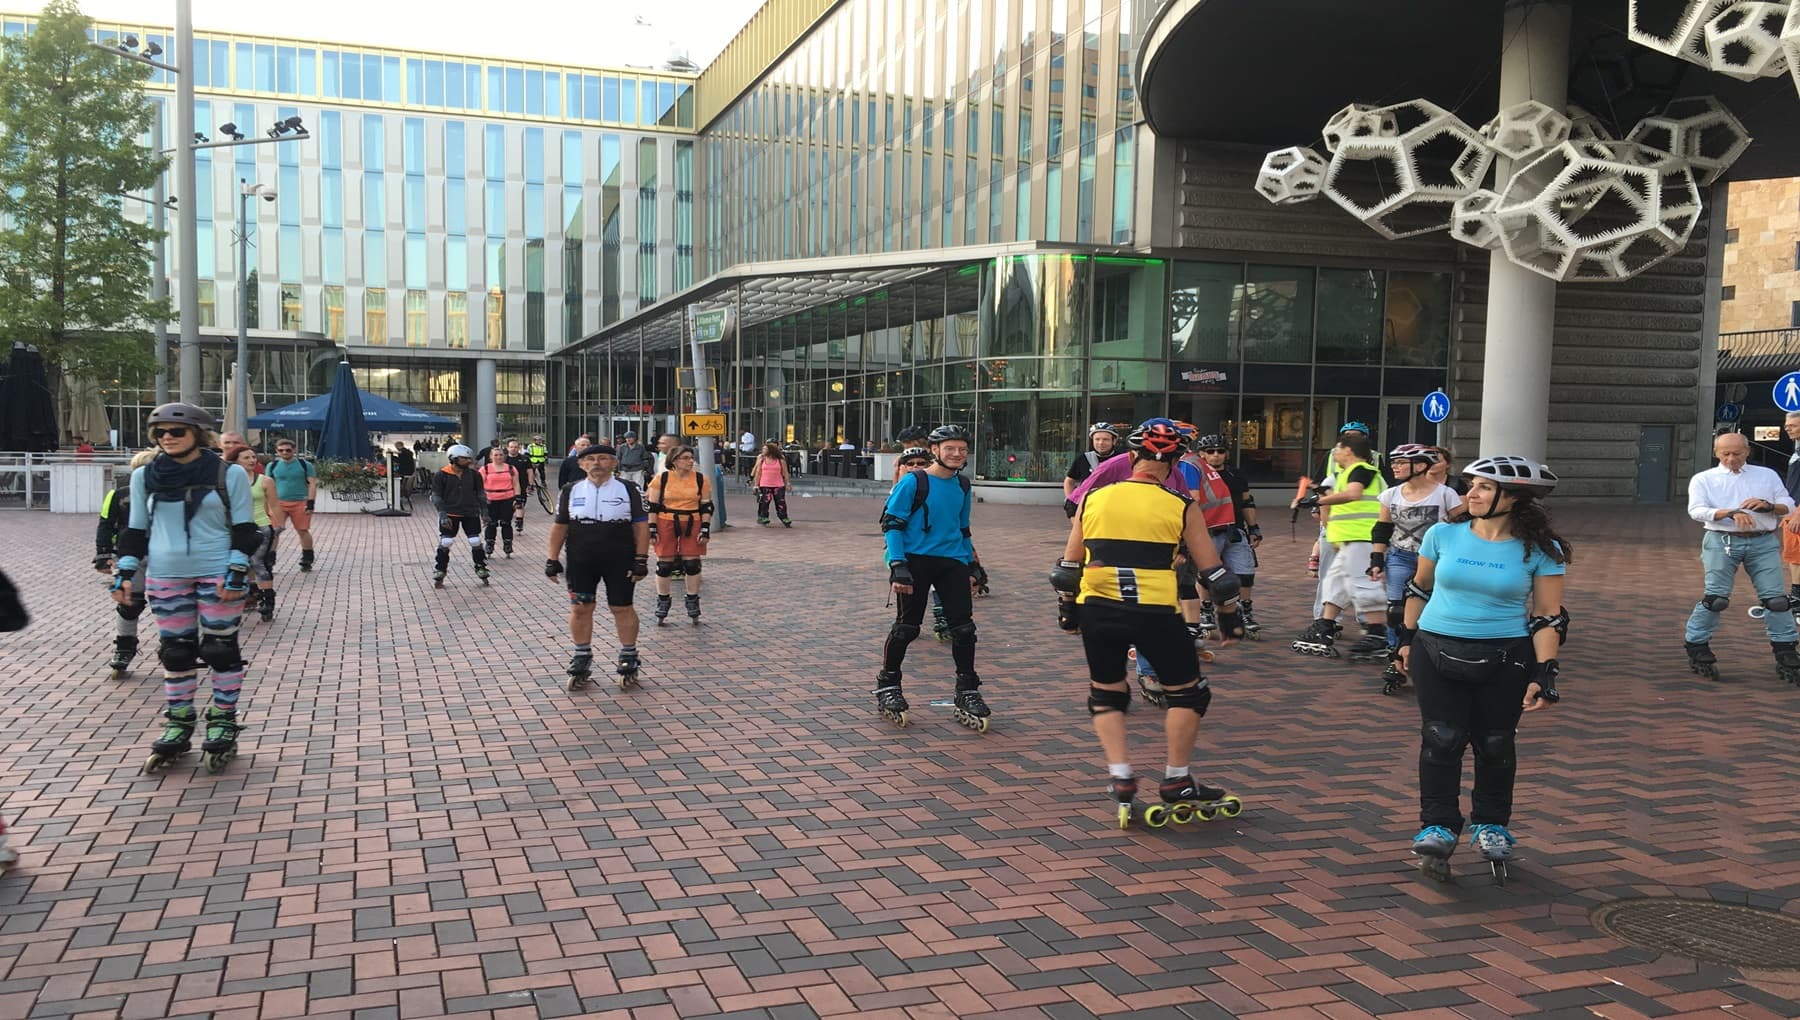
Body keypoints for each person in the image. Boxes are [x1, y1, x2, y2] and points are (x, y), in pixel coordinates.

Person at [1050, 420, 1245, 828]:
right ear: (1174, 461)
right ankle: (1177, 780)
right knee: (1188, 694)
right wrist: (1229, 617)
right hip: (1155, 611)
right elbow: (1215, 574)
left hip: (1099, 608)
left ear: (1132, 456)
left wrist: (1068, 610)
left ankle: (1121, 777)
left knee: (1106, 693)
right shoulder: (1180, 504)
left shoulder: (1096, 497)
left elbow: (1068, 569)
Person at [1395, 455, 1568, 882]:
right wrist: (1404, 640)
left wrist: (1544, 672)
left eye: (1483, 488)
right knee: (1442, 738)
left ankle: (1492, 824)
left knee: (1495, 742)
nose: (1470, 493)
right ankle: (1438, 824)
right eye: (1470, 485)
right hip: (1435, 646)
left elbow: (1548, 615)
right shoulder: (1443, 534)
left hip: (1506, 653)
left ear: (1514, 498)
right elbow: (1419, 588)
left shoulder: (1542, 550)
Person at [111, 403, 259, 774]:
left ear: (198, 433)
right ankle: (179, 722)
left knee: (220, 649)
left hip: (217, 571)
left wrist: (237, 573)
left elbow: (246, 530)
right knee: (176, 653)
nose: (167, 438)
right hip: (166, 575)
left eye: (176, 431)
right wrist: (125, 571)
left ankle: (223, 719)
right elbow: (135, 530)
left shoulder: (229, 475)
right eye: (159, 432)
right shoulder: (145, 476)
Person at [874, 425, 991, 732]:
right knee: (907, 628)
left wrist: (972, 564)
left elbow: (962, 528)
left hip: (951, 561)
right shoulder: (915, 481)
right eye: (950, 448)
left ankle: (967, 690)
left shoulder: (963, 485)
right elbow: (892, 523)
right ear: (935, 450)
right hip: (915, 561)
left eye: (962, 449)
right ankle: (888, 684)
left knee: (963, 629)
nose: (957, 454)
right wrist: (897, 564)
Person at [1683, 431, 1800, 682]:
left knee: (1777, 600)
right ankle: (1697, 643)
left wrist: (1769, 506)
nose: (1731, 458)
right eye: (1725, 453)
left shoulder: (1766, 475)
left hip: (1763, 540)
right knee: (1716, 598)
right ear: (1716, 453)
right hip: (1721, 540)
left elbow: (1788, 504)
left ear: (1748, 452)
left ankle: (1786, 649)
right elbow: (1696, 510)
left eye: (1737, 453)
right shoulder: (1704, 479)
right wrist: (1730, 512)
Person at [546, 443, 650, 690]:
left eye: (603, 458)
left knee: (621, 607)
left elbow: (641, 526)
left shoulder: (630, 489)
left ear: (614, 463)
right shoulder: (570, 490)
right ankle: (581, 654)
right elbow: (560, 526)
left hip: (619, 558)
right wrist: (552, 559)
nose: (596, 463)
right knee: (581, 606)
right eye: (590, 459)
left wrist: (641, 559)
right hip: (582, 559)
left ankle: (628, 654)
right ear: (581, 464)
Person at [1368, 445, 1460, 694]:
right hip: (1400, 556)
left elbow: (1462, 526)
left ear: (1419, 466)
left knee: (1431, 608)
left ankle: (1431, 655)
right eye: (1394, 461)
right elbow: (1382, 528)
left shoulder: (1445, 494)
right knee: (1396, 610)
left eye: (1400, 462)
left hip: (1435, 560)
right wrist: (1377, 558)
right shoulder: (1391, 494)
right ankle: (1394, 659)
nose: (1394, 466)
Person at [1293, 433, 1389, 660]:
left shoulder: (1363, 469)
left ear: (1348, 450)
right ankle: (1325, 626)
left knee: (1364, 585)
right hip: (1349, 541)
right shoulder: (1346, 473)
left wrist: (1317, 500)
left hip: (1363, 538)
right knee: (1334, 583)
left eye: (1337, 449)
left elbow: (1353, 495)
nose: (1334, 453)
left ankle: (1377, 635)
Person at [94, 449, 159, 678]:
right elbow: (105, 523)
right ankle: (124, 646)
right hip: (131, 553)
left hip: (165, 553)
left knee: (167, 602)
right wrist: (103, 554)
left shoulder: (169, 493)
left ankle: (172, 644)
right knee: (130, 603)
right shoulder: (119, 494)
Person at [1199, 434, 1263, 638]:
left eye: (1220, 451)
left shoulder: (1236, 475)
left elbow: (1246, 502)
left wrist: (1253, 528)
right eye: (1210, 451)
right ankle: (1206, 611)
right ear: (1202, 454)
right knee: (1208, 574)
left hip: (1235, 530)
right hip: (1209, 531)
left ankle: (1245, 611)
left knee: (1245, 573)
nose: (1216, 455)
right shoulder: (1197, 475)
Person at [646, 446, 713, 624]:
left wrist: (705, 528)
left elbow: (706, 505)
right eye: (685, 458)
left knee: (692, 564)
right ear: (674, 460)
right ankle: (663, 599)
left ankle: (692, 599)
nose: (690, 461)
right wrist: (652, 528)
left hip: (692, 520)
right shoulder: (662, 479)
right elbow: (653, 506)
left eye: (691, 457)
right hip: (665, 520)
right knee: (664, 565)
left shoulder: (700, 479)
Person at [430, 444, 491, 587]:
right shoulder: (441, 474)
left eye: (469, 459)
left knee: (475, 541)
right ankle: (440, 569)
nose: (468, 461)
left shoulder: (474, 474)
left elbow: (481, 493)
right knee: (446, 542)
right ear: (453, 458)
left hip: (470, 512)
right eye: (464, 459)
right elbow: (436, 496)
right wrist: (443, 515)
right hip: (450, 512)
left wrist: (485, 512)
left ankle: (480, 567)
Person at [268, 439, 318, 572]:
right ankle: (269, 560)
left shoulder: (305, 465)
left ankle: (307, 559)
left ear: (294, 450)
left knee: (302, 530)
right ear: (277, 451)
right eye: (281, 450)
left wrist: (310, 502)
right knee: (273, 532)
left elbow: (312, 483)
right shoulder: (272, 466)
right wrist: (267, 506)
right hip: (278, 503)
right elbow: (267, 486)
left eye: (288, 450)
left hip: (300, 502)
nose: (284, 452)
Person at [1063, 423, 1123, 510]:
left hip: (1115, 506)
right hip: (1088, 507)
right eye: (1097, 439)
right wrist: (1070, 500)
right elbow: (1069, 481)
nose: (1101, 443)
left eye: (1105, 439)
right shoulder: (1083, 459)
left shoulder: (1122, 459)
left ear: (1113, 441)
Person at [479, 447, 523, 558]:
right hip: (490, 499)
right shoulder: (485, 469)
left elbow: (516, 484)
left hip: (507, 499)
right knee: (491, 524)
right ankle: (489, 544)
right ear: (490, 457)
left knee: (506, 523)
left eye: (501, 455)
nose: (499, 457)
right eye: (496, 455)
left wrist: (517, 497)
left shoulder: (511, 468)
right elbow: (479, 486)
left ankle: (507, 545)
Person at [1780, 412, 1800, 607]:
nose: (1787, 428)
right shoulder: (1797, 450)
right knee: (1794, 555)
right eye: (1787, 425)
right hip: (1793, 511)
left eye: (1793, 425)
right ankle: (1797, 595)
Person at [752, 440, 793, 526]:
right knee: (765, 501)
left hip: (778, 484)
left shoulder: (780, 460)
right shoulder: (762, 459)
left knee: (780, 501)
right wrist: (756, 485)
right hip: (765, 484)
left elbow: (785, 472)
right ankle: (764, 517)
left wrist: (788, 483)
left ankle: (783, 517)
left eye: (765, 449)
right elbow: (758, 472)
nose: (763, 451)